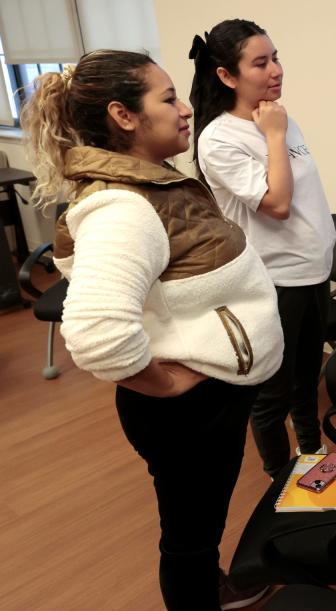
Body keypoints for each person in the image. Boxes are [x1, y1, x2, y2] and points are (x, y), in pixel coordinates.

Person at [20, 51, 283, 609]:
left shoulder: (154, 187)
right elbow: (95, 333)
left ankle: (213, 585)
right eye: (168, 99)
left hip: (206, 403)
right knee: (189, 537)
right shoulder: (124, 208)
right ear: (123, 116)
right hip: (188, 411)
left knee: (198, 523)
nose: (186, 108)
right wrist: (166, 384)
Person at [189, 19, 336, 479]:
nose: (275, 70)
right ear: (227, 76)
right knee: (273, 394)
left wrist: (276, 129)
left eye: (275, 57)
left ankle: (311, 460)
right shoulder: (220, 139)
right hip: (276, 280)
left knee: (308, 379)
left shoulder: (275, 116)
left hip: (313, 269)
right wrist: (273, 135)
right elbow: (277, 203)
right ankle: (280, 480)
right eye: (260, 62)